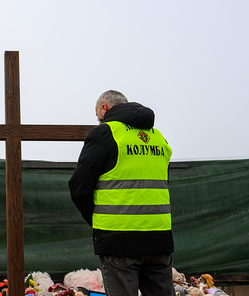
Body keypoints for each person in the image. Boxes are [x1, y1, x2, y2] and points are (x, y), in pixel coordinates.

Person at [68, 90, 174, 296]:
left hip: (118, 240)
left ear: (104, 108)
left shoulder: (104, 133)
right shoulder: (159, 138)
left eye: (97, 116)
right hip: (159, 238)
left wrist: (99, 221)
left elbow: (79, 187)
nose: (99, 121)